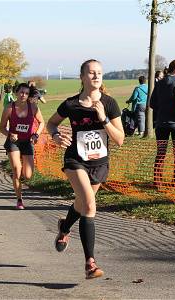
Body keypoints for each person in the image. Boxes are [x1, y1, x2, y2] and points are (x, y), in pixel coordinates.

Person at [47, 59, 124, 280]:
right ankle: (90, 263)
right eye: (91, 73)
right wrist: (54, 136)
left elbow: (119, 140)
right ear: (82, 77)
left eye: (100, 72)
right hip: (75, 160)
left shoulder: (109, 103)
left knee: (81, 204)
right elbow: (51, 123)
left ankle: (64, 226)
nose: (96, 76)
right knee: (89, 204)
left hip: (99, 163)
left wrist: (104, 119)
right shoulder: (71, 104)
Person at [0, 83, 45, 209]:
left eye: (26, 93)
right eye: (21, 92)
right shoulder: (9, 108)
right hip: (13, 142)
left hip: (27, 142)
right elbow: (2, 128)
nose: (23, 95)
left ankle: (20, 177)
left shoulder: (34, 107)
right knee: (16, 170)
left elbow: (42, 122)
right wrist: (10, 134)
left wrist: (36, 134)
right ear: (16, 93)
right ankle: (19, 200)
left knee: (28, 175)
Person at [150, 59, 175, 187]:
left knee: (160, 152)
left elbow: (152, 103)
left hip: (161, 123)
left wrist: (163, 108)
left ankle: (157, 181)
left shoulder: (159, 83)